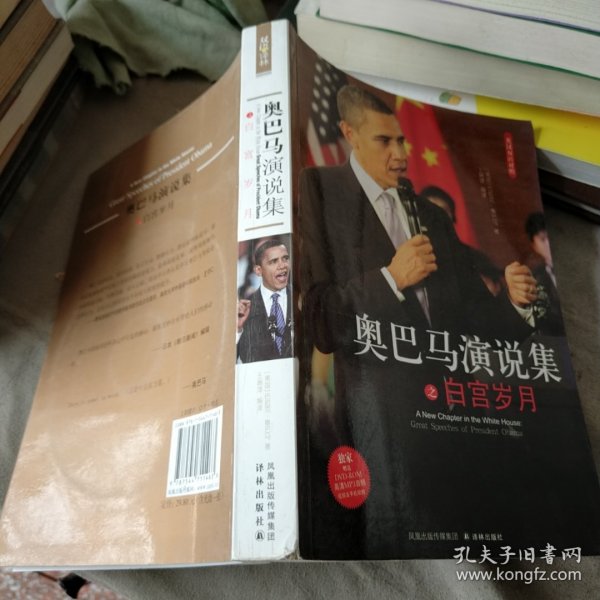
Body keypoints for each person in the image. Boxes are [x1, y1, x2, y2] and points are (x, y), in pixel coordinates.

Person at [298, 84, 540, 558]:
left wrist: (514, 304)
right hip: (380, 433)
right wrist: (392, 279)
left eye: (402, 141)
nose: (400, 154)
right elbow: (321, 322)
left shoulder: (430, 214)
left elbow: (476, 323)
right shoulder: (320, 190)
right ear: (349, 133)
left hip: (457, 423)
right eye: (383, 141)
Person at [237, 239, 292, 363]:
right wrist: (238, 329)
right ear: (258, 270)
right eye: (273, 261)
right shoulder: (246, 305)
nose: (282, 265)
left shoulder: (298, 296)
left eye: (285, 259)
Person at [524, 211, 564, 335]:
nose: (549, 244)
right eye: (542, 239)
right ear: (534, 245)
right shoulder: (536, 279)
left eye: (550, 237)